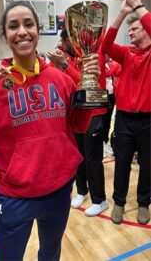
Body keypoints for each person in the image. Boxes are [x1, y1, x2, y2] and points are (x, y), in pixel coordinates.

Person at [0, 1, 99, 260]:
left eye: (28, 24)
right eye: (13, 26)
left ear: (38, 30)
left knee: (50, 252)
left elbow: (78, 124)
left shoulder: (60, 79)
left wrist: (89, 87)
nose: (22, 31)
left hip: (58, 189)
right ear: (5, 35)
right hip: (16, 195)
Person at [101, 0, 151, 225]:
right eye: (128, 29)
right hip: (124, 119)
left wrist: (139, 6)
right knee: (122, 163)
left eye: (134, 28)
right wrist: (122, 13)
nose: (129, 33)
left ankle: (143, 203)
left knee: (148, 164)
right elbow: (105, 46)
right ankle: (119, 202)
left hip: (148, 120)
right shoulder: (126, 54)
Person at [48, 28, 109, 217]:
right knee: (78, 157)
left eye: (65, 42)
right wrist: (57, 64)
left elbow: (86, 86)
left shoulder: (91, 56)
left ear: (72, 41)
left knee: (93, 159)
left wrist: (64, 65)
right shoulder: (71, 58)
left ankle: (100, 200)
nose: (63, 46)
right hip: (76, 113)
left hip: (94, 112)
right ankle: (82, 191)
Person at [103, 55, 121, 157]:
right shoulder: (101, 64)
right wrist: (116, 66)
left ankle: (105, 142)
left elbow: (117, 73)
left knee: (108, 119)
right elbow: (107, 74)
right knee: (102, 120)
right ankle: (101, 143)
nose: (109, 55)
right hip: (102, 95)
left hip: (111, 95)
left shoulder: (109, 64)